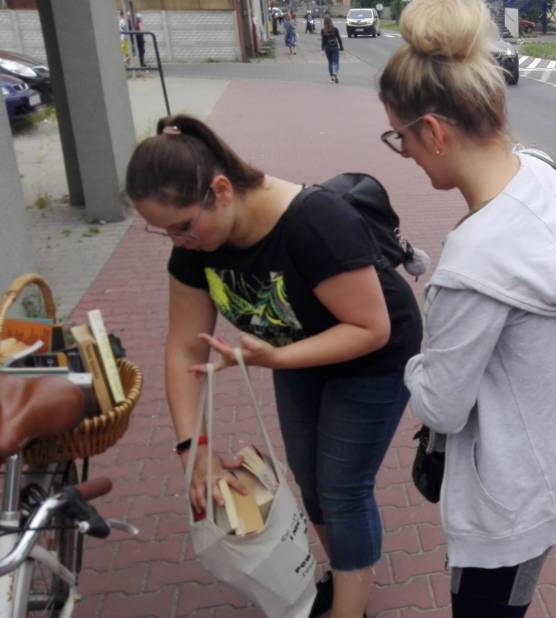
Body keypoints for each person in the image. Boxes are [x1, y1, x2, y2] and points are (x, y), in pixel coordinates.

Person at [379, 0, 556, 615]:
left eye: (401, 139)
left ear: (434, 132)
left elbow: (441, 405)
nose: (405, 153)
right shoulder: (540, 173)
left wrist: (409, 358)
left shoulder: (469, 268)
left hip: (506, 495)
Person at [124, 115, 423, 618]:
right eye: (164, 231)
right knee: (309, 478)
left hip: (373, 355)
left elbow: (371, 328)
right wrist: (194, 449)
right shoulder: (197, 245)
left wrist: (277, 357)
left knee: (342, 488)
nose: (178, 241)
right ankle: (345, 574)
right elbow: (183, 350)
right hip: (296, 351)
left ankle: (350, 607)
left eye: (182, 226)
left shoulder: (314, 221)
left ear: (221, 191)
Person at [320, 16, 343, 83]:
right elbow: (339, 38)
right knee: (336, 62)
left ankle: (332, 77)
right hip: (335, 47)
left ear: (324, 22)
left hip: (327, 48)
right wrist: (341, 47)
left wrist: (322, 49)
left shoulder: (323, 30)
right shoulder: (335, 29)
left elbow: (323, 40)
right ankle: (335, 72)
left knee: (330, 62)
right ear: (331, 21)